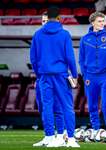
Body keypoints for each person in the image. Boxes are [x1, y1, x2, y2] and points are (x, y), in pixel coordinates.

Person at [30, 6, 80, 147]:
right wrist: (74, 75)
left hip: (44, 76)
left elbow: (33, 58)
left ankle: (50, 138)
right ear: (59, 18)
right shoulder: (65, 34)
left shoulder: (37, 34)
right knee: (67, 106)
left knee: (47, 107)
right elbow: (70, 57)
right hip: (61, 76)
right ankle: (70, 139)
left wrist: (40, 74)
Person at [79, 12, 106, 132]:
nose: (102, 23)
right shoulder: (85, 39)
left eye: (103, 21)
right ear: (93, 23)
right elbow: (81, 59)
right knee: (92, 106)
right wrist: (84, 74)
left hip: (105, 76)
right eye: (100, 21)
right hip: (89, 77)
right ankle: (96, 130)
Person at [33, 12, 68, 147]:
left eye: (47, 20)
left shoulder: (60, 35)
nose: (45, 23)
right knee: (43, 108)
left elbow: (66, 56)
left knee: (57, 108)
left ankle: (59, 136)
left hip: (55, 77)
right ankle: (48, 137)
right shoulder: (38, 35)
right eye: (43, 21)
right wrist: (39, 76)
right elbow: (34, 58)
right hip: (42, 78)